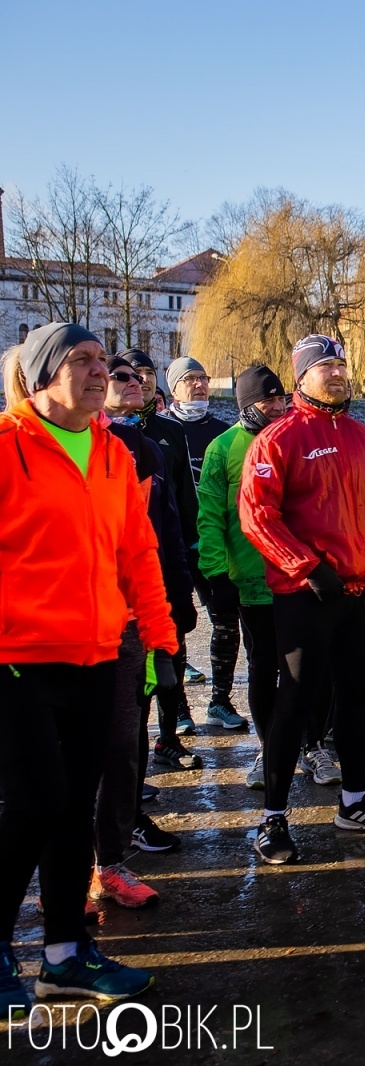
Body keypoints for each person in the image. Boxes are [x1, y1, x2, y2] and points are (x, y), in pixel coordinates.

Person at [0, 323, 177, 1012]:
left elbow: (138, 551)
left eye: (104, 360)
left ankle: (65, 955)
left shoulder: (112, 453)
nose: (101, 370)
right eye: (82, 360)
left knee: (77, 809)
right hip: (17, 661)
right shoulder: (8, 445)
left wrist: (160, 634)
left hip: (97, 654)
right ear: (44, 374)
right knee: (35, 804)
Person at [240, 334, 365, 864]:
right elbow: (257, 516)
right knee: (297, 699)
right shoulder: (277, 439)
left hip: (362, 590)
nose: (336, 372)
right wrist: (306, 566)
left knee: (354, 698)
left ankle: (354, 801)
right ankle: (272, 818)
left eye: (341, 363)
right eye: (324, 365)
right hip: (307, 593)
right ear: (300, 377)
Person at [89, 353, 189, 909]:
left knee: (124, 745)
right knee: (62, 759)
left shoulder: (140, 449)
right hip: (53, 631)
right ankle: (66, 877)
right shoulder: (19, 444)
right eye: (117, 374)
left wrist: (173, 604)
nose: (130, 382)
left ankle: (110, 861)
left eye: (136, 377)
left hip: (126, 621)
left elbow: (159, 532)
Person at [197, 365, 308, 791]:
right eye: (268, 401)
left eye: (281, 399)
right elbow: (209, 515)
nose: (278, 407)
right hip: (251, 579)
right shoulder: (223, 447)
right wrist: (215, 573)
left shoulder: (297, 438)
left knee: (305, 667)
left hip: (299, 576)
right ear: (247, 404)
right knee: (263, 665)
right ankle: (268, 747)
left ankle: (311, 743)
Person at [143, 355, 233, 731]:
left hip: (213, 543)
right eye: (189, 379)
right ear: (173, 388)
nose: (199, 385)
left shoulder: (224, 430)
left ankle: (220, 701)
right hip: (175, 545)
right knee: (175, 627)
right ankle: (178, 709)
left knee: (225, 620)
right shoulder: (163, 430)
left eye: (202, 378)